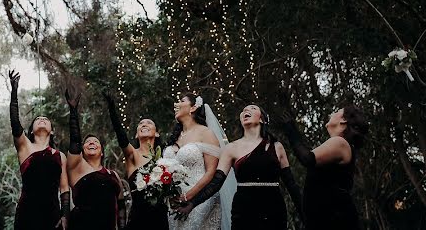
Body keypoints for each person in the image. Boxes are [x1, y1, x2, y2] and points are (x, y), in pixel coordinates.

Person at [175, 105, 302, 230]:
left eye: (253, 108)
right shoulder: (231, 148)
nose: (246, 110)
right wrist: (192, 203)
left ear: (262, 119)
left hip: (273, 208)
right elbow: (215, 183)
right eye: (243, 110)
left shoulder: (277, 146)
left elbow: (291, 184)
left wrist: (305, 214)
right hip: (244, 209)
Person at [279, 105, 369, 230]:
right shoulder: (337, 144)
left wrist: (291, 129)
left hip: (335, 220)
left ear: (343, 121)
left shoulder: (340, 142)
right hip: (325, 220)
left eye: (337, 111)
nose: (332, 113)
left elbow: (307, 158)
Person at [8, 70, 70, 230]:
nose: (42, 119)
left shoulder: (60, 156)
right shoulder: (25, 147)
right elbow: (15, 123)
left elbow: (64, 188)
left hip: (52, 214)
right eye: (38, 120)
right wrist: (14, 90)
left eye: (46, 119)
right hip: (27, 212)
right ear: (31, 130)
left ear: (52, 131)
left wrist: (65, 215)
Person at [103, 94, 167, 230]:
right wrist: (112, 109)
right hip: (139, 220)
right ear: (137, 135)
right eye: (141, 124)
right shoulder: (133, 155)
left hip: (161, 220)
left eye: (149, 123)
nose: (144, 124)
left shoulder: (165, 158)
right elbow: (121, 136)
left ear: (157, 133)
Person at [162, 94, 224, 230]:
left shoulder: (206, 133)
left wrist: (187, 196)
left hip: (200, 198)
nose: (176, 104)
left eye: (181, 101)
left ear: (193, 107)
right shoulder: (175, 137)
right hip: (174, 203)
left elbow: (211, 172)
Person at [65, 88, 122, 229]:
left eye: (96, 141)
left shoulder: (113, 175)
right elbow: (75, 142)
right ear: (82, 151)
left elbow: (121, 206)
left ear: (102, 151)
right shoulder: (76, 168)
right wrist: (73, 112)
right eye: (88, 142)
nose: (91, 142)